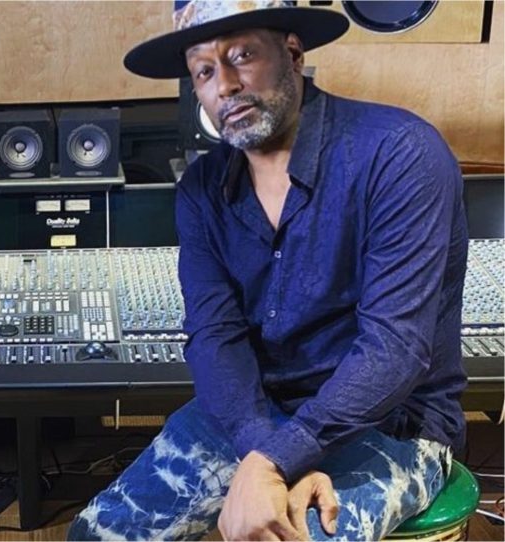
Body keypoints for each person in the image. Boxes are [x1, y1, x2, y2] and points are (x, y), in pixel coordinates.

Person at [69, 1, 467, 540]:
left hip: (389, 423)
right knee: (96, 535)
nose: (224, 86)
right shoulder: (201, 190)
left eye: (242, 56)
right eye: (203, 71)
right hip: (255, 414)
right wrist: (268, 453)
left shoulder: (400, 153)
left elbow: (394, 349)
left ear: (293, 53)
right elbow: (214, 335)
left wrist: (280, 458)